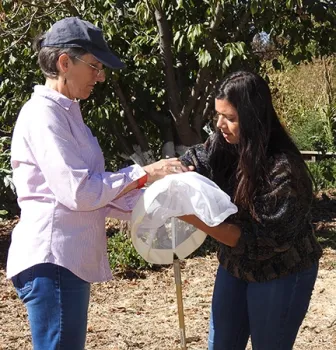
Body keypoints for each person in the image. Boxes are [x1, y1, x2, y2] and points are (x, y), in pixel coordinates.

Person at [7, 17, 192, 350]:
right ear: (65, 63)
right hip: (54, 259)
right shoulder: (43, 115)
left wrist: (158, 201)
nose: (101, 76)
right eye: (95, 66)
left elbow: (99, 193)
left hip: (64, 261)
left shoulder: (67, 114)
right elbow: (80, 192)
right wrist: (145, 173)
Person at [179, 71, 323, 350]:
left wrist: (191, 216)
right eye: (218, 115)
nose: (220, 124)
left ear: (254, 118)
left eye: (230, 118)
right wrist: (175, 172)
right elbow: (197, 159)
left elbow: (252, 240)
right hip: (236, 265)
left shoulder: (284, 172)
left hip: (281, 270)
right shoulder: (225, 143)